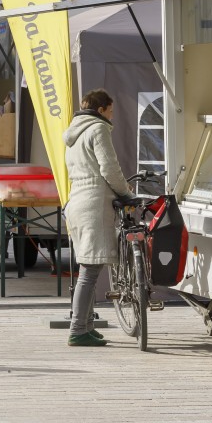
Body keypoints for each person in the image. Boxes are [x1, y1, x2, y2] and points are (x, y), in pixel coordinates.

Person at [63, 89, 132, 347]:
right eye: (111, 110)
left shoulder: (73, 133)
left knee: (86, 266)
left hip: (76, 202)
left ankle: (87, 326)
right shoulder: (98, 129)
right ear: (101, 109)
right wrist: (126, 193)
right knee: (89, 271)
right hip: (93, 203)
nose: (112, 116)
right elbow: (109, 168)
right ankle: (78, 329)